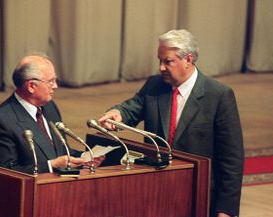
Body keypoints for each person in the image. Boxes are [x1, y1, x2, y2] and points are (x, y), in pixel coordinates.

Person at [98, 29, 244, 217]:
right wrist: (118, 113)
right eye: (160, 60)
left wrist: (226, 210)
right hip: (156, 193)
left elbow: (232, 158)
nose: (161, 67)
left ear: (188, 60)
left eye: (168, 61)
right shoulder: (155, 85)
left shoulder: (218, 96)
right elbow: (133, 107)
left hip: (198, 196)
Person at [0, 54, 99, 174]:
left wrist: (84, 157)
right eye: (50, 81)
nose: (55, 86)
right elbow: (6, 171)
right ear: (31, 86)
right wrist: (50, 166)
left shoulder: (49, 107)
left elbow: (60, 151)